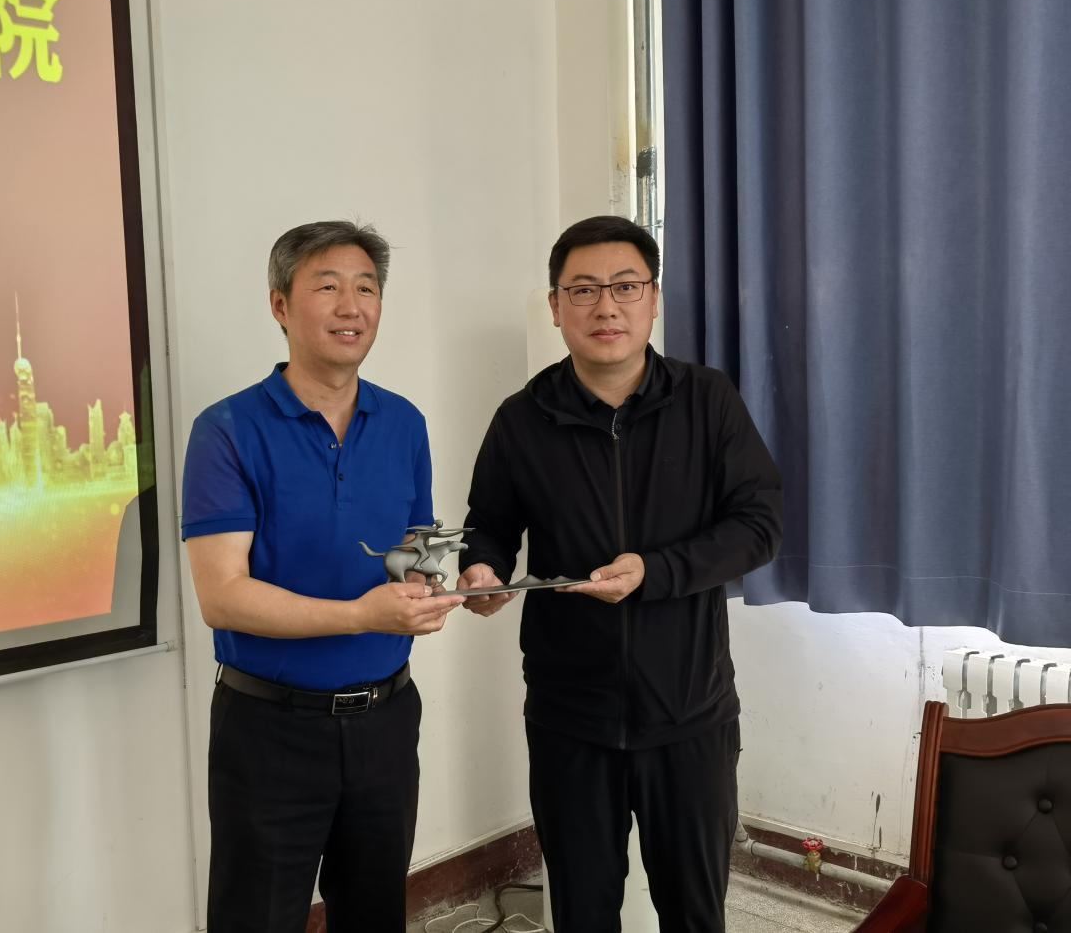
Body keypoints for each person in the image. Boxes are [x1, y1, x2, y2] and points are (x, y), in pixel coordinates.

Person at [456, 215, 783, 932]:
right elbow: (490, 525)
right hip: (570, 717)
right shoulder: (522, 419)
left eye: (625, 286)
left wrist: (655, 570)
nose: (606, 306)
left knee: (694, 913)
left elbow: (759, 525)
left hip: (689, 714)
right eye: (583, 290)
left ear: (654, 299)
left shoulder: (707, 401)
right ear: (555, 306)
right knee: (582, 912)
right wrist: (482, 570)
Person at [182, 220, 460, 933]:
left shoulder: (404, 422)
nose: (351, 306)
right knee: (256, 918)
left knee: (374, 915)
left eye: (366, 288)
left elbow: (415, 549)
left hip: (387, 720)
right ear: (280, 305)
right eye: (328, 286)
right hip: (269, 728)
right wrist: (362, 615)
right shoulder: (227, 429)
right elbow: (222, 596)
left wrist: (437, 587)